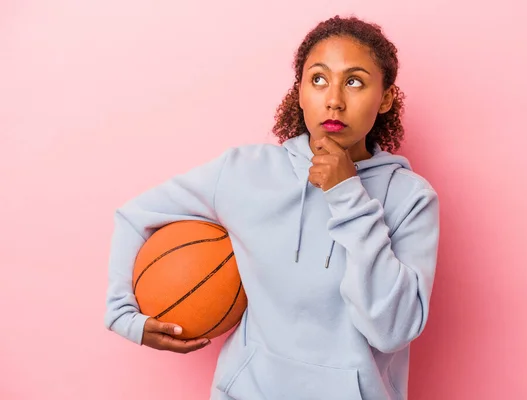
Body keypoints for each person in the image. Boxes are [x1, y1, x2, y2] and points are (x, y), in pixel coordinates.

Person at [104, 15, 440, 400]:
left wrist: (347, 193)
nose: (334, 99)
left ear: (385, 98)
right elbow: (135, 216)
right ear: (299, 91)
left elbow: (392, 330)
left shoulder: (411, 199)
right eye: (318, 79)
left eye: (354, 81)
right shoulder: (244, 172)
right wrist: (124, 316)